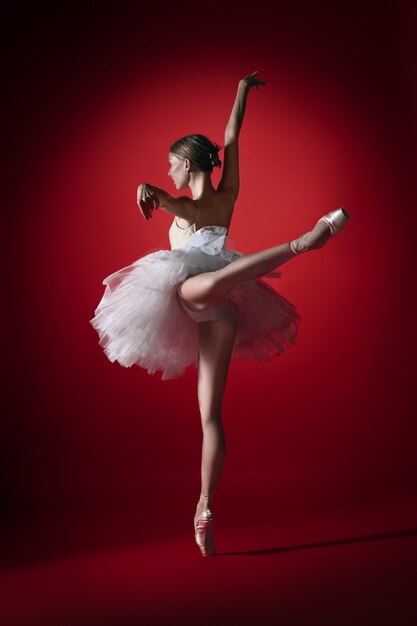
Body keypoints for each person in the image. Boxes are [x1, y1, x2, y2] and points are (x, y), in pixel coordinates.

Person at [89, 71, 350, 557]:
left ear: (187, 164)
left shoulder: (183, 204)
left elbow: (162, 192)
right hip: (221, 305)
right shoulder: (226, 195)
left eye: (171, 164)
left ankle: (203, 507)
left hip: (198, 295)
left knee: (210, 402)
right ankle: (203, 508)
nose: (167, 172)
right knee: (209, 409)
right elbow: (230, 138)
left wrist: (148, 189)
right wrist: (242, 90)